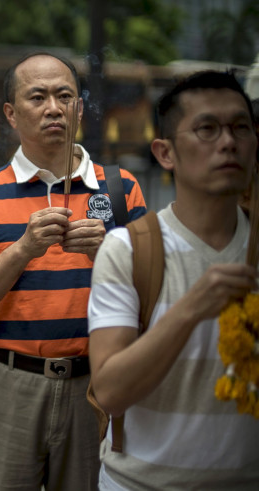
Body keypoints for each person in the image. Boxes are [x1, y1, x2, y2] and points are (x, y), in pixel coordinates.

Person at [0, 51, 147, 490]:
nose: (54, 107)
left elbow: (152, 297)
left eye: (65, 96)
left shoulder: (120, 189)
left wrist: (108, 254)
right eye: (37, 97)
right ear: (11, 114)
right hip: (7, 383)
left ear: (79, 106)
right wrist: (23, 248)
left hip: (94, 382)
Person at [88, 71, 259, 489]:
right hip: (140, 484)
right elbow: (110, 392)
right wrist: (189, 311)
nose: (228, 142)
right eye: (207, 128)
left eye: (241, 127)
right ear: (165, 153)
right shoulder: (129, 250)